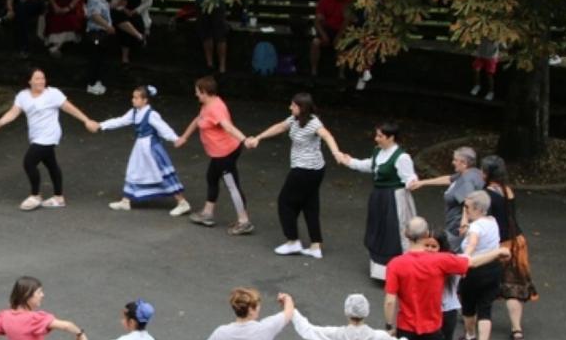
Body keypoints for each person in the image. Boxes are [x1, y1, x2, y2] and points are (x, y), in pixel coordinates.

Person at [246, 92, 343, 258]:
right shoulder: (295, 119)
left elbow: (327, 135)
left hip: (304, 170)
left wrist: (336, 153)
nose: (290, 107)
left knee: (285, 203)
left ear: (301, 107)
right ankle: (315, 245)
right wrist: (259, 137)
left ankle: (293, 241)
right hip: (315, 170)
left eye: (293, 105)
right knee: (309, 204)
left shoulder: (313, 123)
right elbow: (280, 126)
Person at [0, 68, 96, 210]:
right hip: (36, 136)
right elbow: (13, 112)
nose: (41, 81)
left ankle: (35, 195)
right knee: (51, 164)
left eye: (43, 78)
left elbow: (70, 108)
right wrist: (0, 123)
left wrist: (86, 120)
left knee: (29, 162)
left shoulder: (53, 94)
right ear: (29, 81)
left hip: (49, 135)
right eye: (37, 78)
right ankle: (59, 197)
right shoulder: (23, 96)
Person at [337, 121, 418, 280]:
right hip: (379, 198)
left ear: (391, 138)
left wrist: (412, 181)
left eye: (380, 136)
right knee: (378, 230)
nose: (376, 139)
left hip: (394, 200)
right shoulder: (378, 152)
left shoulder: (402, 157)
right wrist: (350, 161)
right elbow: (370, 165)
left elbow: (409, 177)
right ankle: (381, 272)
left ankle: (398, 271)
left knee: (393, 233)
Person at [175, 75, 254, 235]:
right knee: (212, 177)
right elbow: (198, 120)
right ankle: (207, 213)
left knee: (232, 186)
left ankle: (244, 221)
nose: (196, 94)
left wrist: (245, 139)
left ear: (204, 92)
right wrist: (184, 137)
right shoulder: (207, 104)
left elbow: (228, 127)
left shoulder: (216, 108)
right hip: (218, 154)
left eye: (197, 91)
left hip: (226, 153)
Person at [95, 84, 190, 216]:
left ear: (145, 100)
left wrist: (175, 138)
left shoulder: (151, 114)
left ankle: (182, 202)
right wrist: (101, 125)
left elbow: (163, 128)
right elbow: (120, 121)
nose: (133, 100)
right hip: (140, 148)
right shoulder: (134, 112)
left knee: (161, 173)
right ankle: (125, 200)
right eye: (133, 97)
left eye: (136, 98)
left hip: (151, 148)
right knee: (133, 170)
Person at [480, 155, 539, 340]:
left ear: (488, 173)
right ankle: (516, 329)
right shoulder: (508, 190)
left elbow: (483, 220)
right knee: (513, 286)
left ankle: (473, 319)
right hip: (516, 241)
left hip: (497, 244)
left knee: (480, 280)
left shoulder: (486, 194)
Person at [456, 190, 503, 340]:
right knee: (485, 308)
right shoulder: (492, 222)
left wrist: (465, 258)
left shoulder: (475, 228)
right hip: (493, 269)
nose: (465, 209)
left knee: (468, 305)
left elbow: (472, 242)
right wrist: (465, 216)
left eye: (467, 206)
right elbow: (465, 231)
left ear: (477, 207)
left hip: (475, 269)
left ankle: (470, 336)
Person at [410, 146, 484, 251]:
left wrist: (464, 222)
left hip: (456, 227)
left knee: (452, 251)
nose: (453, 162)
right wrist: (423, 183)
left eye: (455, 160)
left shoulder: (467, 181)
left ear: (464, 163)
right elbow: (449, 179)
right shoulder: (471, 173)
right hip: (455, 224)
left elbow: (468, 201)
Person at [428, 233, 472, 340]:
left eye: (434, 246)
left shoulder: (430, 265)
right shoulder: (453, 262)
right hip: (451, 311)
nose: (430, 250)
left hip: (436, 313)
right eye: (428, 246)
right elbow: (468, 260)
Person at [109, 0, 153, 66]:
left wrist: (135, 11)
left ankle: (126, 58)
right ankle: (138, 39)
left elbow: (148, 1)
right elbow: (114, 2)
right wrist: (124, 9)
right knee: (120, 18)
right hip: (122, 12)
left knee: (125, 26)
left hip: (137, 14)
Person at [192, 0, 229, 73]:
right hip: (202, 4)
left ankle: (222, 65)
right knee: (205, 34)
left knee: (220, 35)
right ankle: (209, 63)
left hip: (217, 4)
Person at [83, 0, 116, 96]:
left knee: (101, 59)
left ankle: (98, 82)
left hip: (102, 33)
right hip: (96, 32)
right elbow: (95, 15)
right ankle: (92, 83)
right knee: (95, 59)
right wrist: (108, 26)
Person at [310, 0, 352, 77]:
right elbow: (317, 21)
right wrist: (323, 35)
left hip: (341, 30)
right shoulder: (325, 0)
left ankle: (341, 75)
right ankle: (313, 72)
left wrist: (339, 36)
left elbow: (347, 21)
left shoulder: (348, 0)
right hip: (327, 29)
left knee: (341, 45)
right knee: (315, 43)